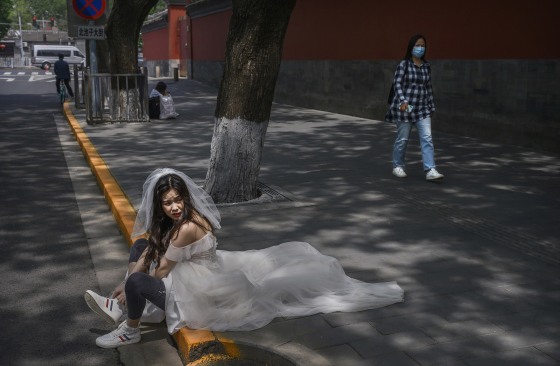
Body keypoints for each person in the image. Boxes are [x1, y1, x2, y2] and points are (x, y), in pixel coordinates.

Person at [85, 168, 404, 348]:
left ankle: (131, 327)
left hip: (204, 289)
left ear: (185, 196)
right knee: (141, 248)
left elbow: (161, 269)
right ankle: (120, 304)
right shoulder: (171, 222)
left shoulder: (188, 227)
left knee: (141, 278)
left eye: (178, 200)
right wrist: (122, 283)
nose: (174, 207)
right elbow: (152, 249)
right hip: (193, 274)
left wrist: (131, 285)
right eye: (167, 203)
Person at [385, 34, 444, 181]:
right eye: (417, 45)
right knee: (403, 139)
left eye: (423, 45)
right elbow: (397, 84)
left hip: (422, 107)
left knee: (427, 138)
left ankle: (431, 169)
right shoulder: (404, 65)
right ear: (411, 47)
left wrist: (431, 105)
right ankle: (397, 166)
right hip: (407, 106)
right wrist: (403, 100)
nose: (420, 48)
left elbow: (428, 87)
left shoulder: (426, 66)